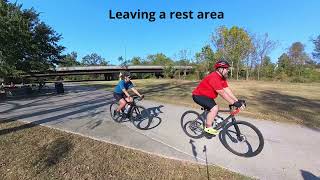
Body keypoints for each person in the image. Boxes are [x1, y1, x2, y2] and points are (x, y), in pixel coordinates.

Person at [192, 60, 245, 135]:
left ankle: (203, 122)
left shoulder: (222, 78)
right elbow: (222, 93)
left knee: (213, 109)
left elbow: (227, 89)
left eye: (228, 69)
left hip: (207, 96)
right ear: (220, 69)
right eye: (226, 69)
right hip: (198, 96)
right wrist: (234, 103)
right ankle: (208, 127)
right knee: (215, 108)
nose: (228, 70)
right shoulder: (214, 77)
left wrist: (237, 100)